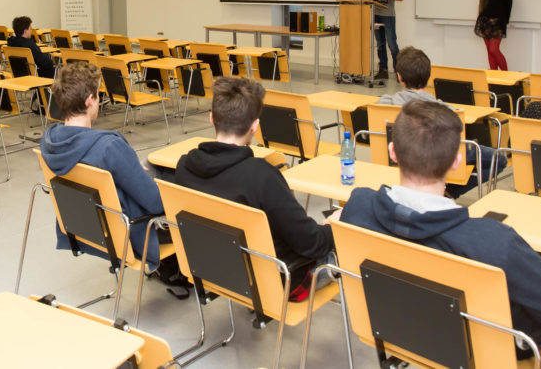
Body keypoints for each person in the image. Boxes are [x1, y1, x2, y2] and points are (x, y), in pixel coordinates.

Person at [341, 100, 541, 367]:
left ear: (392, 151)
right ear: (456, 162)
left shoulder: (358, 206)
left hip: (398, 327)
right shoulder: (496, 242)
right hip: (488, 350)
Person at [175, 77, 333, 301]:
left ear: (211, 118)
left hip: (216, 271)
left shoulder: (184, 166)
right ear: (255, 126)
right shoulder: (261, 176)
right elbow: (312, 244)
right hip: (274, 282)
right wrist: (333, 227)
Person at [40, 61, 167, 269]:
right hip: (127, 238)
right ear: (90, 100)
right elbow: (155, 203)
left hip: (83, 231)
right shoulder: (109, 147)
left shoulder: (49, 142)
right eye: (98, 96)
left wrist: (130, 170)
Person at [377, 46, 506, 198]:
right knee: (499, 159)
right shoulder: (445, 110)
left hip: (403, 154)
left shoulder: (385, 104)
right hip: (437, 156)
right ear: (429, 76)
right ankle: (448, 191)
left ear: (399, 77)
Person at [353, 0, 403, 79]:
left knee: (392, 44)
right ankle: (383, 70)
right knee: (380, 44)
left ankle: (399, 73)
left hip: (388, 16)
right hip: (375, 14)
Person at [474, 0, 512, 71]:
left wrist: (505, 21)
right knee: (489, 51)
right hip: (484, 21)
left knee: (494, 49)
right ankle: (493, 76)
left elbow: (509, 2)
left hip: (497, 22)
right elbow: (483, 2)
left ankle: (506, 75)